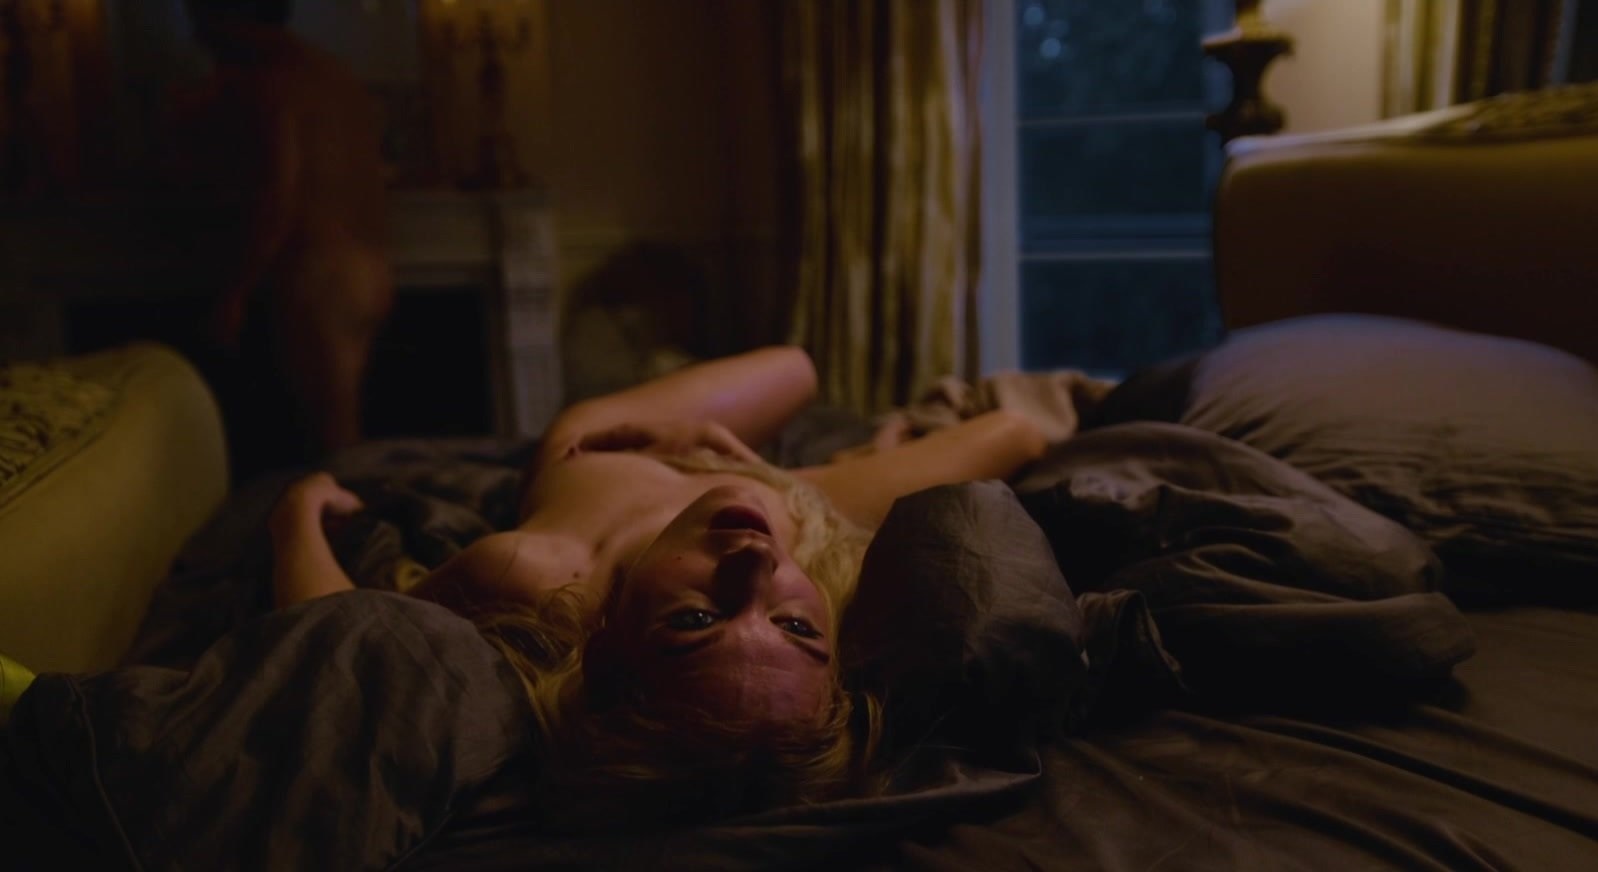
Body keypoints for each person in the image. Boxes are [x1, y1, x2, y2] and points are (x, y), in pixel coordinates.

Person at [267, 345, 1048, 826]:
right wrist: (765, 479)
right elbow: (1018, 430)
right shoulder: (815, 553)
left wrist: (296, 513)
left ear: (605, 652)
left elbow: (335, 629)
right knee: (803, 368)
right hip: (787, 491)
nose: (757, 565)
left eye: (696, 619)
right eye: (796, 628)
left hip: (602, 446)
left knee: (793, 370)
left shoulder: (531, 573)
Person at [167, 0, 393, 476]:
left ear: (228, 20)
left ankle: (349, 518)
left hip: (322, 275)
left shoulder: (275, 81)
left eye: (202, 23)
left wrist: (236, 291)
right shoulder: (332, 74)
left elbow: (278, 197)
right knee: (340, 426)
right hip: (370, 267)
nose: (198, 38)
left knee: (332, 436)